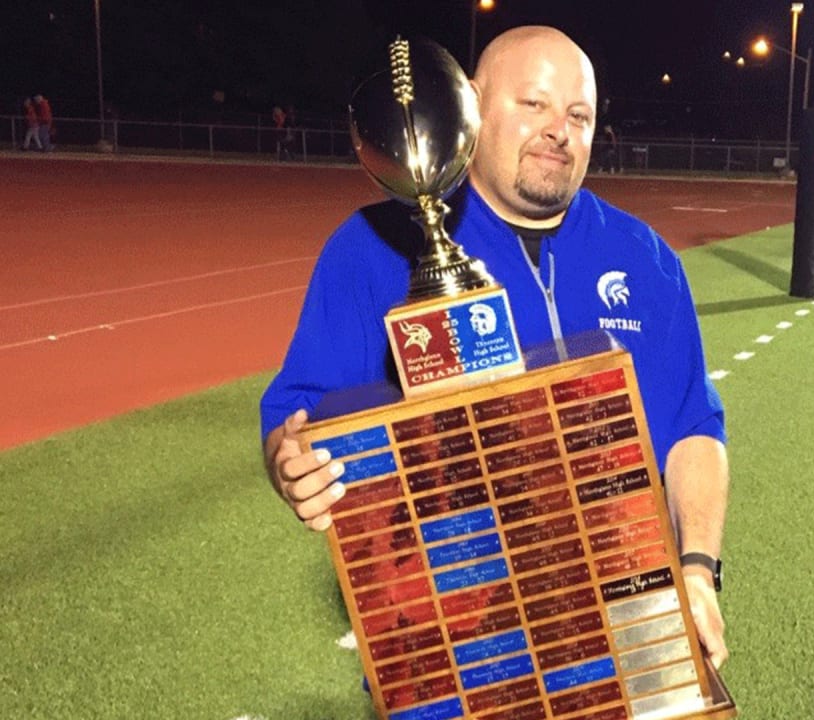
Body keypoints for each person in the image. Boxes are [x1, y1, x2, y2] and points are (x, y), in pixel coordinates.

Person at [259, 26, 730, 668]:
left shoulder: (647, 259)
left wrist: (698, 569)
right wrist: (294, 467)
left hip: (627, 622)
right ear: (471, 106)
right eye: (533, 104)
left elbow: (692, 426)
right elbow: (302, 416)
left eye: (578, 114)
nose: (558, 130)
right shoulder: (371, 249)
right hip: (452, 638)